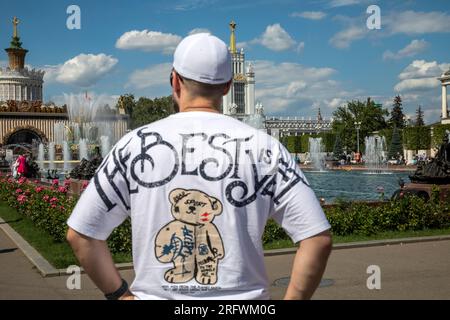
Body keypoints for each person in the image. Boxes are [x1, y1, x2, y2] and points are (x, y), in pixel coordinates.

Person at [66, 33, 332, 300]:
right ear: (227, 86)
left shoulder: (134, 146)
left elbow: (81, 235)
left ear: (174, 81)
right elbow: (317, 240)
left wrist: (120, 295)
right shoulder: (266, 148)